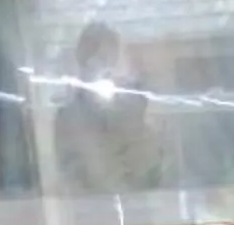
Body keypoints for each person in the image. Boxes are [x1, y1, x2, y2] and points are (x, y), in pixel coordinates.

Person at [50, 21, 163, 197]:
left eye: (111, 60)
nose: (103, 69)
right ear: (82, 61)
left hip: (139, 208)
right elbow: (69, 174)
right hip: (91, 212)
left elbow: (151, 166)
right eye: (96, 59)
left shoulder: (136, 109)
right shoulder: (67, 118)